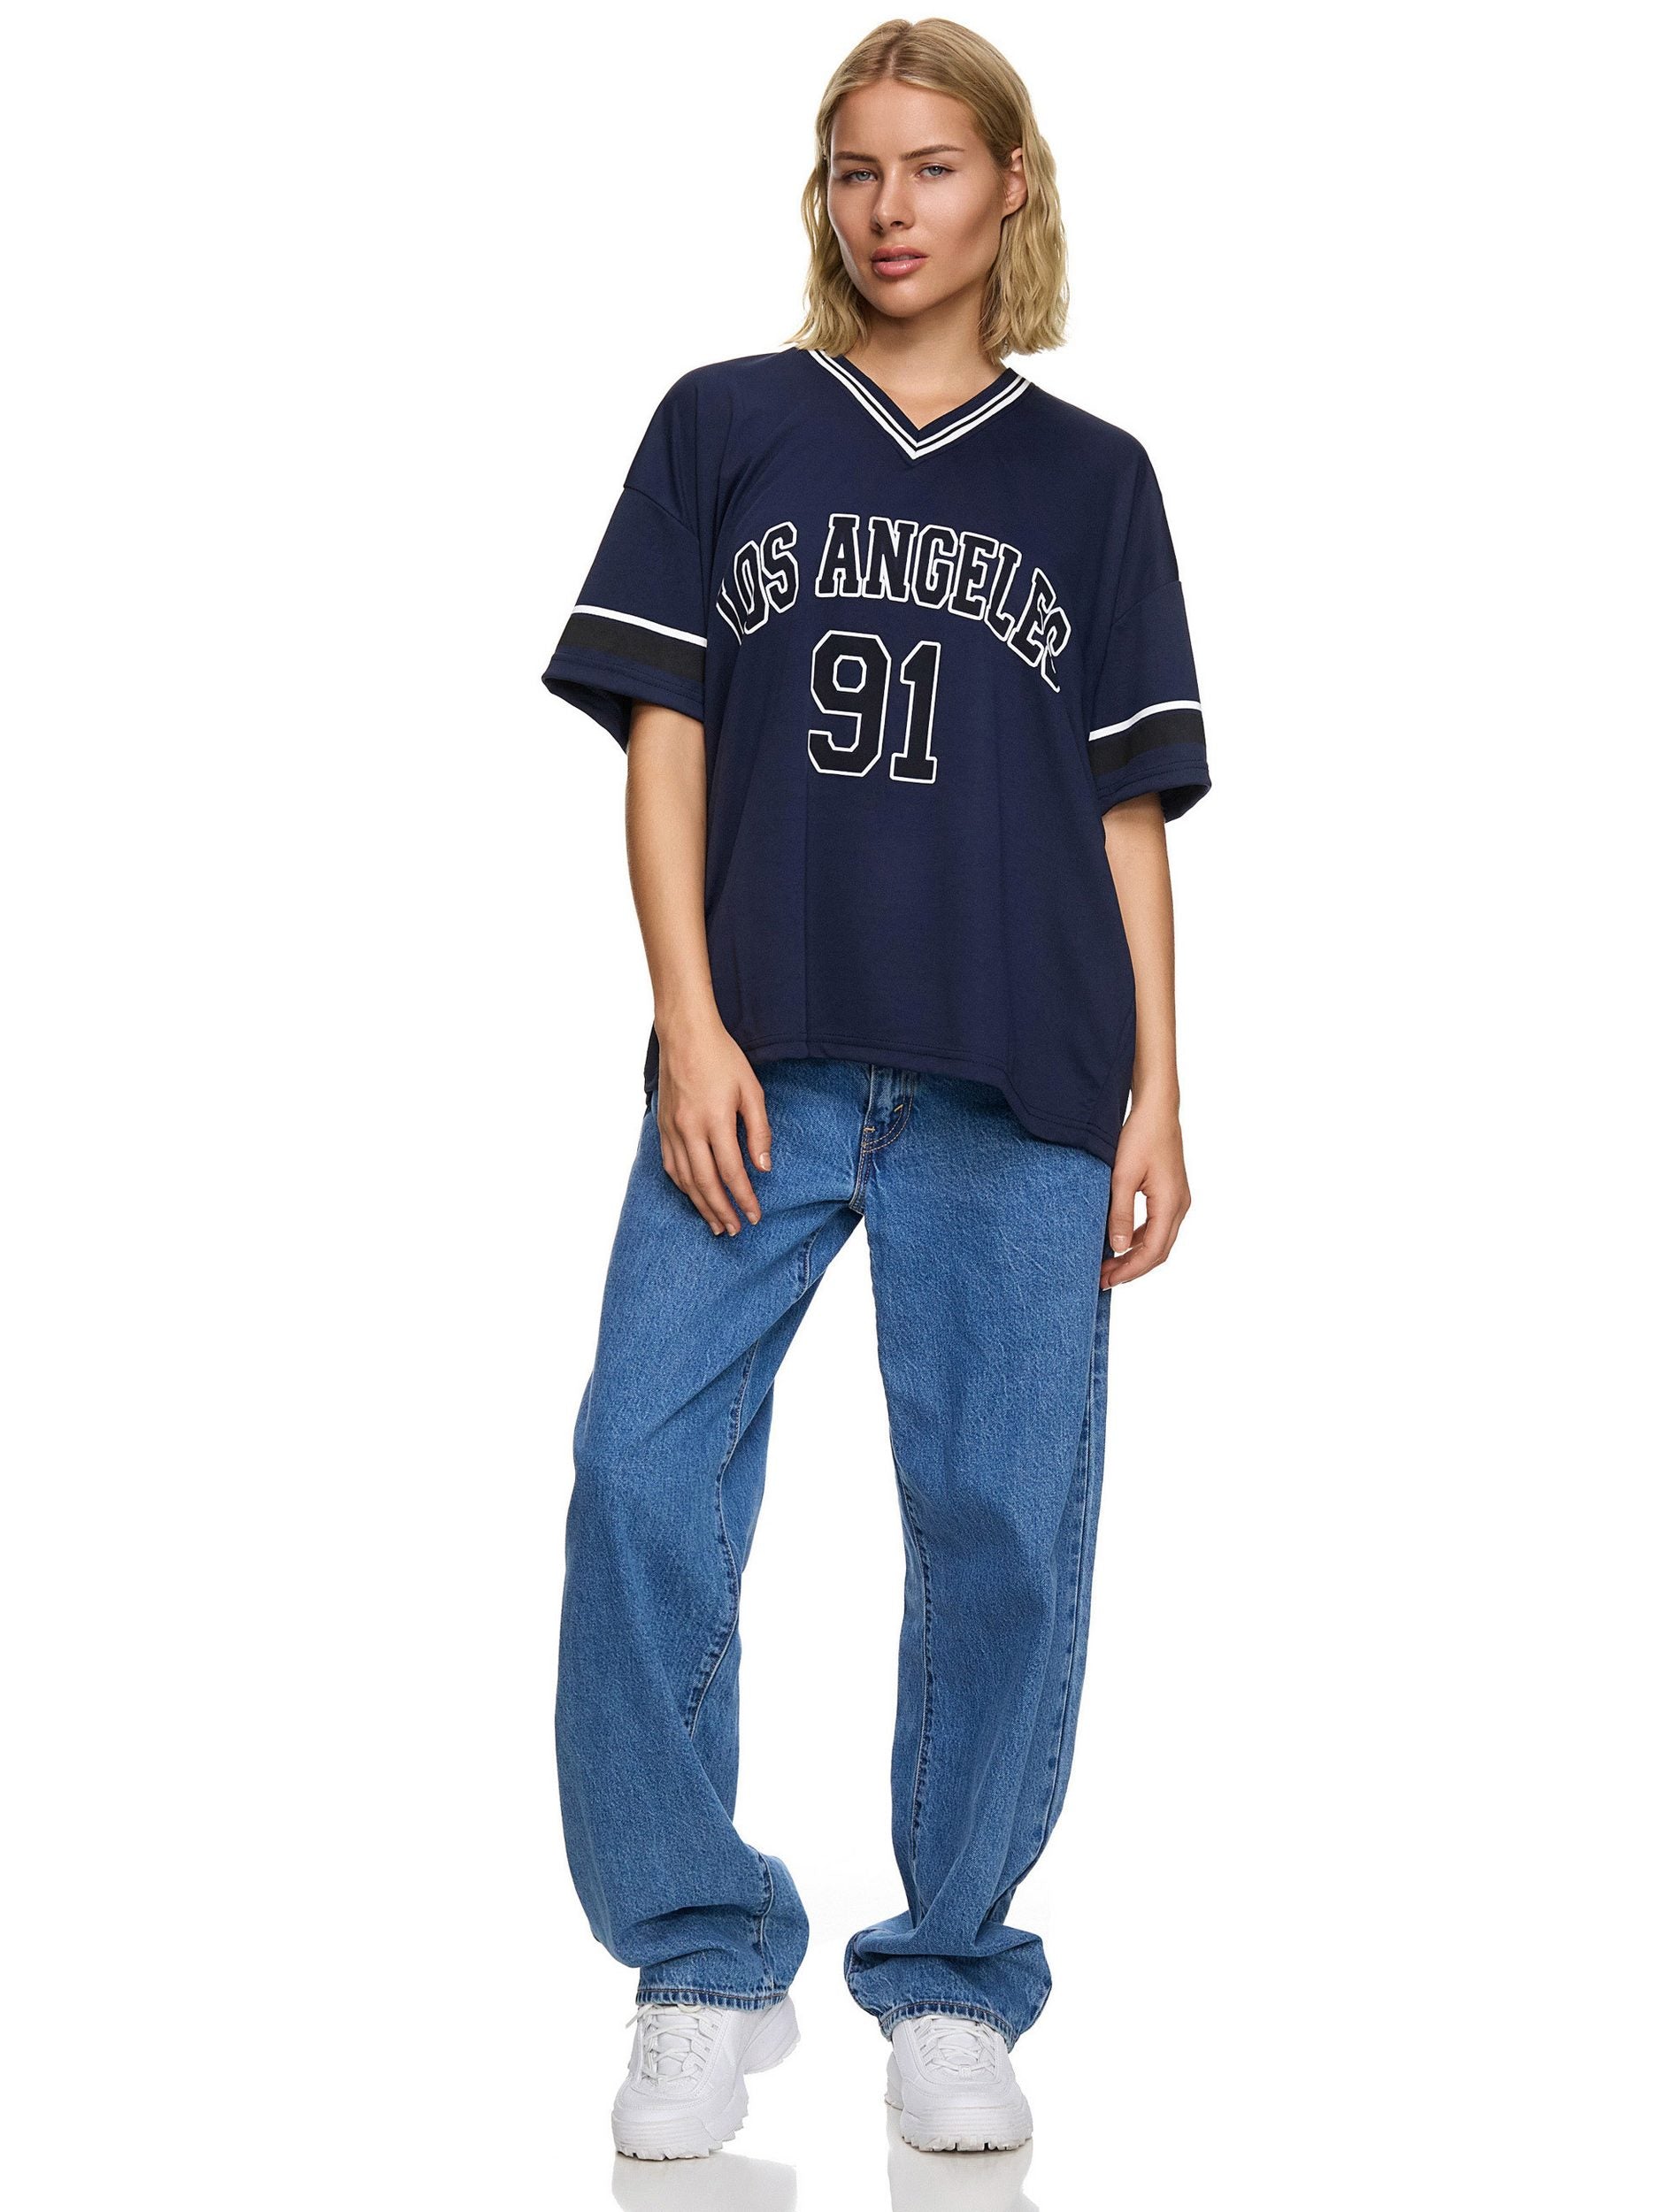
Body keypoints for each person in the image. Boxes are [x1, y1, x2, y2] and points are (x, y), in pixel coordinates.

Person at [540, 16, 1210, 2162]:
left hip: (1021, 1082)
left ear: (1010, 186)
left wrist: (1159, 1089)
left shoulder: (1092, 481)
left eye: (930, 166)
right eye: (855, 169)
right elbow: (664, 742)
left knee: (1001, 1525)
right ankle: (697, 1955)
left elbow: (1124, 813)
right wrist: (688, 1017)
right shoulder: (723, 424)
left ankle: (948, 1976)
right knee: (639, 1472)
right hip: (762, 1063)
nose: (889, 207)